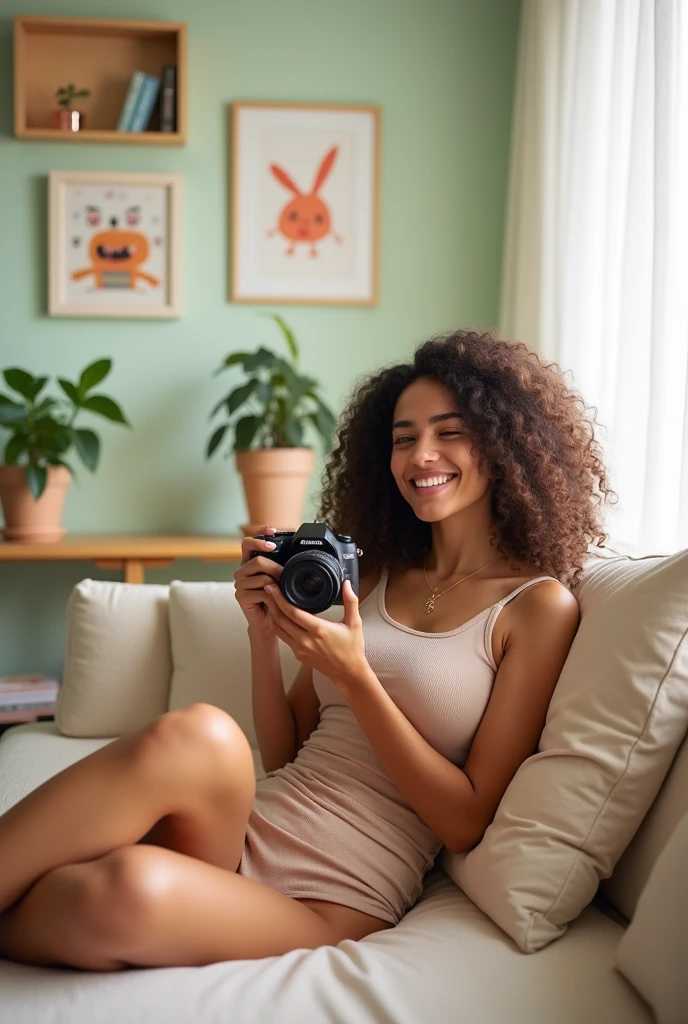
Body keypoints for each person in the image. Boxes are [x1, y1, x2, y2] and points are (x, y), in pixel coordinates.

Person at [0, 330, 616, 971]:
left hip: (336, 894)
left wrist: (357, 678)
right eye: (403, 438)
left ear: (505, 443)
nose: (420, 455)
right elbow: (285, 751)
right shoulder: (374, 576)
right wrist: (263, 636)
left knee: (121, 889)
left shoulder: (536, 608)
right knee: (202, 735)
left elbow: (464, 821)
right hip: (245, 830)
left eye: (448, 431)